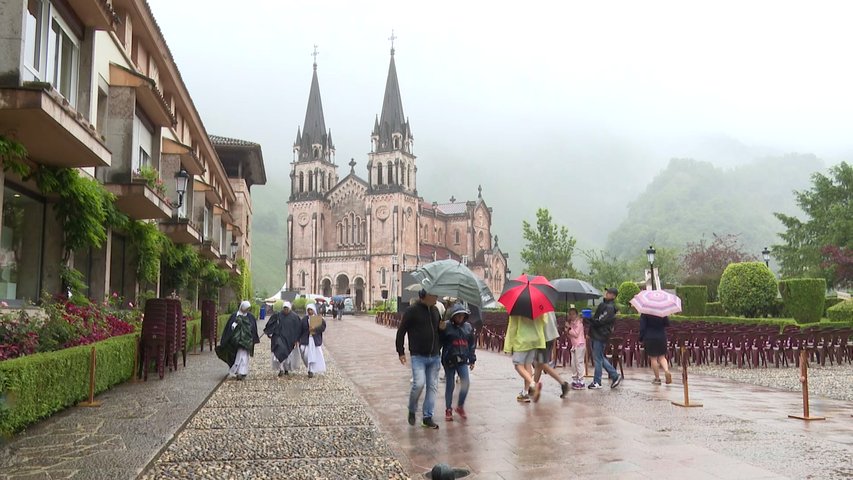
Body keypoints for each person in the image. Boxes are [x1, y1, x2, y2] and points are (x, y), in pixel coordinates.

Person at [396, 289, 442, 429]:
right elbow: (401, 331)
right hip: (418, 356)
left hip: (434, 356)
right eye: (434, 294)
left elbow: (439, 332)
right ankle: (412, 407)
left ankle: (427, 417)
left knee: (432, 387)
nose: (436, 297)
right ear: (425, 296)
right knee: (419, 384)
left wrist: (443, 328)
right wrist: (401, 352)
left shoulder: (435, 311)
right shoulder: (412, 311)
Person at [439, 304, 477, 421]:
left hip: (462, 359)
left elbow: (471, 344)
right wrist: (440, 329)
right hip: (449, 359)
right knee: (450, 384)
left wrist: (472, 359)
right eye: (457, 316)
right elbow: (440, 341)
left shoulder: (468, 327)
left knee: (466, 382)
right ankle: (448, 408)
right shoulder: (447, 326)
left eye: (462, 316)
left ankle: (460, 406)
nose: (460, 318)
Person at [503, 312, 546, 403]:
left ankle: (533, 384)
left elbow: (513, 327)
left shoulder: (517, 309)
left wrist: (508, 346)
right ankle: (525, 393)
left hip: (522, 340)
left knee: (518, 364)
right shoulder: (538, 307)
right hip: (535, 340)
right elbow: (544, 321)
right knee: (528, 365)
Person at [531, 311, 571, 400]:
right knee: (539, 364)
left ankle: (563, 383)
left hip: (543, 338)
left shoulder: (538, 308)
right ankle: (533, 387)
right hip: (549, 337)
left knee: (542, 363)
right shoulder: (548, 307)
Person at [588, 288, 623, 389]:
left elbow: (600, 321)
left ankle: (597, 381)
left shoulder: (609, 308)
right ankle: (615, 376)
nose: (606, 294)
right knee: (599, 357)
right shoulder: (604, 305)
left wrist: (589, 319)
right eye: (607, 292)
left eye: (609, 293)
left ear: (613, 296)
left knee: (598, 358)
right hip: (597, 334)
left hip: (600, 334)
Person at [216, 300, 260, 380]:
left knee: (243, 356)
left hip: (245, 342)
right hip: (234, 342)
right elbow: (229, 328)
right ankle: (238, 371)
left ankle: (242, 372)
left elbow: (253, 328)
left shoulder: (250, 317)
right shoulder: (234, 316)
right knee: (236, 356)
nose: (246, 310)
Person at [264, 300, 304, 377]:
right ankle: (281, 368)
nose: (285, 310)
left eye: (287, 308)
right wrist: (269, 333)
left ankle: (286, 369)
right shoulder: (278, 315)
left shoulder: (295, 317)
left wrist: (297, 339)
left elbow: (299, 329)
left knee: (288, 355)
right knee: (279, 352)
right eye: (284, 308)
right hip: (279, 338)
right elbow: (270, 324)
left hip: (290, 339)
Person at [639, 313, 672, 385]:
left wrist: (641, 338)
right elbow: (667, 323)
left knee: (653, 358)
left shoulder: (645, 312)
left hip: (650, 337)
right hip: (661, 337)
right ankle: (666, 371)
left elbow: (642, 327)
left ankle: (657, 379)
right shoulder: (662, 311)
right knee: (662, 357)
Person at [299, 304, 327, 377]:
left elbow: (323, 328)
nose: (309, 311)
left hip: (314, 339)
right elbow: (300, 329)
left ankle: (310, 370)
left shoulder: (318, 319)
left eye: (311, 310)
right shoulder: (304, 319)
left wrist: (314, 329)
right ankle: (308, 367)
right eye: (308, 310)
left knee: (312, 355)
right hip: (306, 339)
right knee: (304, 353)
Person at [566, 308, 587, 389]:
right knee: (573, 363)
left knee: (579, 362)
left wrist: (569, 328)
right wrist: (567, 330)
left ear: (576, 315)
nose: (571, 316)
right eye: (570, 314)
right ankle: (575, 380)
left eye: (573, 314)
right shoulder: (571, 323)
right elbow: (570, 335)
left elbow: (576, 334)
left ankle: (581, 381)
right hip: (574, 345)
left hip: (580, 345)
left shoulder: (579, 323)